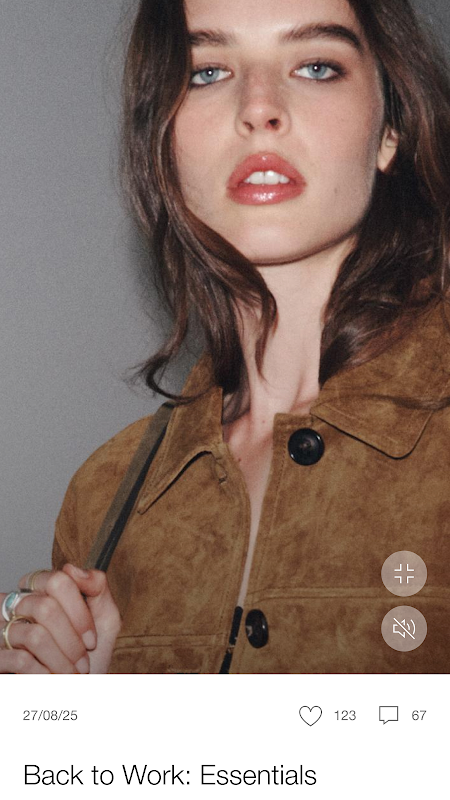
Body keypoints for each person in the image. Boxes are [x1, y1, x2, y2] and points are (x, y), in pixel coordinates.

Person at [1, 0, 450, 674]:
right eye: (207, 72)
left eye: (316, 65)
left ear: (390, 129)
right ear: (163, 141)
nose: (259, 107)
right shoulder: (103, 498)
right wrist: (77, 713)